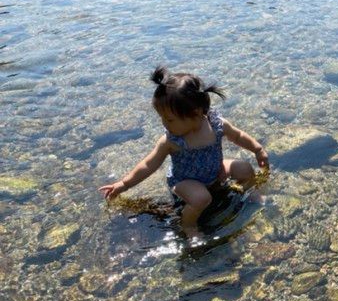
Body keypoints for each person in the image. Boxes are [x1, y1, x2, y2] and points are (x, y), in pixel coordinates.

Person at [99, 66, 269, 239]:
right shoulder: (172, 140)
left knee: (245, 168)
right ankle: (188, 226)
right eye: (162, 118)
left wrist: (257, 149)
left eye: (170, 119)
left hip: (215, 171)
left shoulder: (216, 124)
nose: (165, 123)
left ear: (196, 113)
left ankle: (252, 194)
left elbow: (238, 136)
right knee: (202, 198)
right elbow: (149, 164)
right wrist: (123, 184)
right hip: (185, 181)